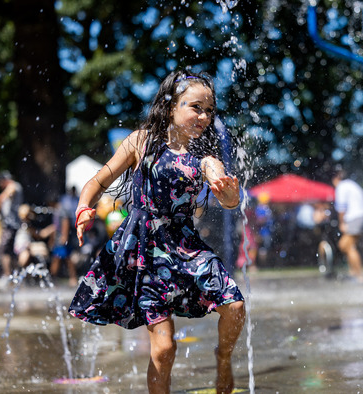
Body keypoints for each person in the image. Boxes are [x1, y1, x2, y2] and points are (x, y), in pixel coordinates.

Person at [68, 70, 245, 394]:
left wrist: (229, 193)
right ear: (171, 106)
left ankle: (223, 357)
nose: (204, 116)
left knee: (234, 306)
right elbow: (97, 182)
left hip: (186, 245)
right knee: (164, 350)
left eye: (209, 111)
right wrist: (84, 208)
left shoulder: (205, 157)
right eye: (195, 107)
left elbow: (229, 199)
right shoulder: (140, 142)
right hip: (145, 251)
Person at [332, 169, 363, 283]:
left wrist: (342, 223)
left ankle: (359, 276)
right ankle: (353, 273)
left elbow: (341, 208)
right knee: (345, 245)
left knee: (347, 246)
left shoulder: (341, 187)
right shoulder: (351, 184)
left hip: (354, 217)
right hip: (361, 216)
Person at [0, 171, 23, 279]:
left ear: (5, 180)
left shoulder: (13, 185)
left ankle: (7, 275)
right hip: (11, 224)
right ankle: (16, 275)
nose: (0, 186)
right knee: (10, 251)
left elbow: (3, 197)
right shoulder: (12, 187)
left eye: (0, 183)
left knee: (4, 250)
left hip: (11, 225)